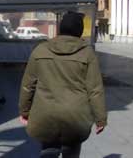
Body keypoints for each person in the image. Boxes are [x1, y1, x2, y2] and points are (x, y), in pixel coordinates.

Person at [19, 12, 106, 158]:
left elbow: (28, 85)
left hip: (45, 113)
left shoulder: (40, 49)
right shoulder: (87, 53)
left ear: (61, 28)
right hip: (76, 116)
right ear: (79, 30)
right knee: (71, 151)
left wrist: (24, 111)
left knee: (48, 150)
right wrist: (100, 118)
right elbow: (95, 89)